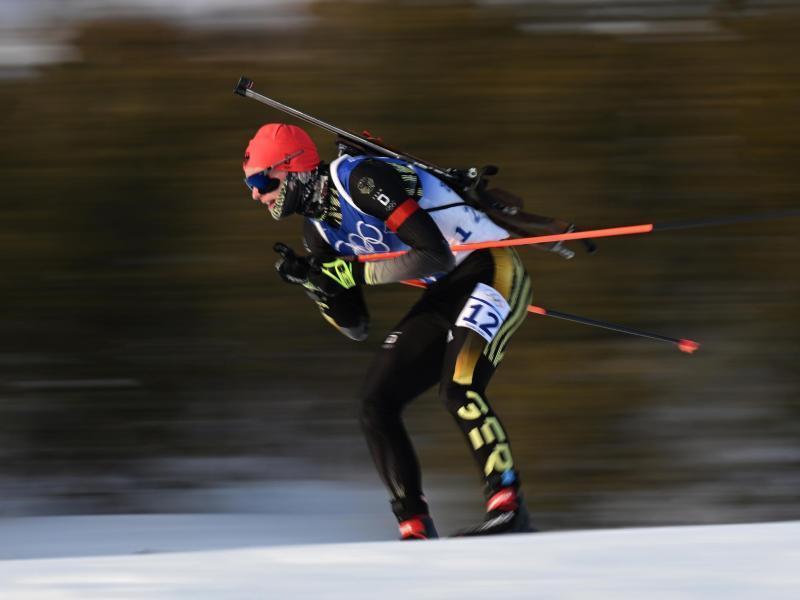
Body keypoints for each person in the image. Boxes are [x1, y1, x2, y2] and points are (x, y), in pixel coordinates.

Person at [242, 122, 534, 539]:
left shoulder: (358, 179)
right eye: (250, 184)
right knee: (375, 403)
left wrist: (352, 272)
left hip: (491, 268)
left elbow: (432, 254)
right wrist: (317, 286)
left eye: (260, 180)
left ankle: (508, 505)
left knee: (458, 386)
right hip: (446, 292)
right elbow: (356, 325)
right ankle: (414, 527)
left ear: (292, 169)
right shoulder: (317, 231)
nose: (256, 193)